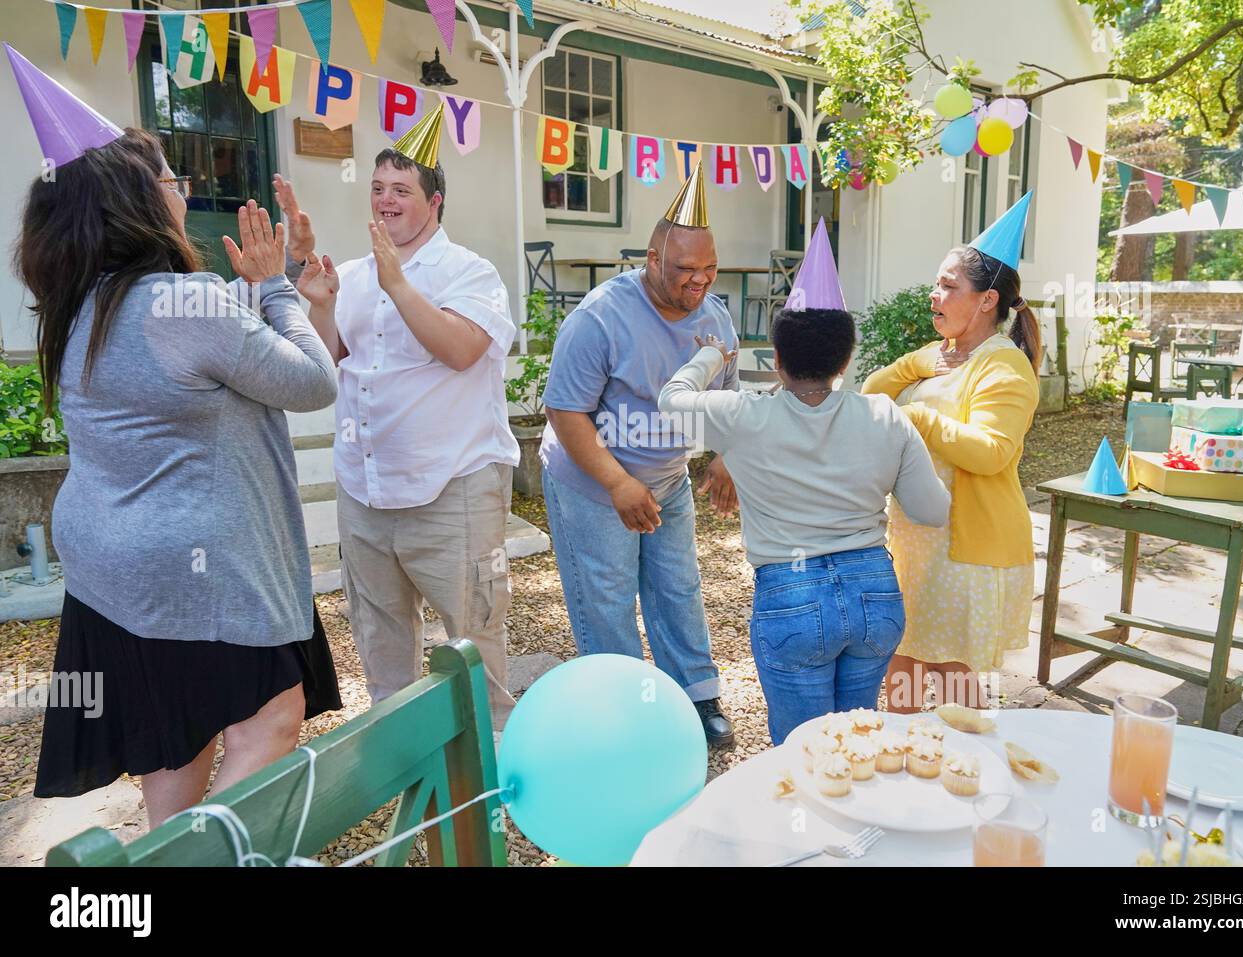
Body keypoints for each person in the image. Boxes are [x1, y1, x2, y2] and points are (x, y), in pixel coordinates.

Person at [8, 44, 340, 827]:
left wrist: (271, 293)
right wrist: (276, 285)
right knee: (272, 718)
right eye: (169, 177)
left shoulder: (80, 305)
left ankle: (166, 852)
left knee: (173, 737)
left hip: (109, 567)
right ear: (138, 200)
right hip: (198, 571)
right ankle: (191, 861)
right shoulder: (179, 303)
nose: (182, 189)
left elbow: (216, 357)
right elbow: (312, 383)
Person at [274, 103, 520, 728]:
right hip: (365, 490)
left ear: (433, 203)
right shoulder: (352, 274)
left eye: (401, 190)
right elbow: (327, 362)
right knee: (380, 646)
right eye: (378, 188)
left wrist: (400, 286)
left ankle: (488, 776)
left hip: (453, 486)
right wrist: (322, 302)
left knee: (474, 640)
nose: (385, 201)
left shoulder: (472, 271)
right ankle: (404, 762)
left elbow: (462, 350)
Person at [659, 219, 949, 745]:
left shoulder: (743, 416)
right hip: (874, 593)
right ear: (846, 358)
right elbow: (932, 509)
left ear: (777, 358)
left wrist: (710, 355)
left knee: (802, 754)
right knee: (857, 742)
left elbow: (670, 399)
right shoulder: (885, 415)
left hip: (792, 593)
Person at [541, 163, 740, 746]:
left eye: (708, 269)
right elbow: (565, 411)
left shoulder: (716, 316)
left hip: (668, 477)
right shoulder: (601, 317)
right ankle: (622, 710)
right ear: (652, 260)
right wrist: (617, 484)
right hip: (592, 481)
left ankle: (696, 699)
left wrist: (724, 455)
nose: (698, 282)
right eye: (684, 270)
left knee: (678, 586)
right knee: (607, 596)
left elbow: (726, 396)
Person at [862, 191, 1041, 713]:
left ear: (987, 300)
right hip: (917, 546)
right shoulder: (941, 353)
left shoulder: (1003, 366)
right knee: (902, 688)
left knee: (960, 702)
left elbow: (991, 453)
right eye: (936, 283)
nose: (934, 295)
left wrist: (914, 416)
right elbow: (871, 393)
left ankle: (974, 786)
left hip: (967, 551)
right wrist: (910, 368)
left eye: (948, 286)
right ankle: (901, 777)